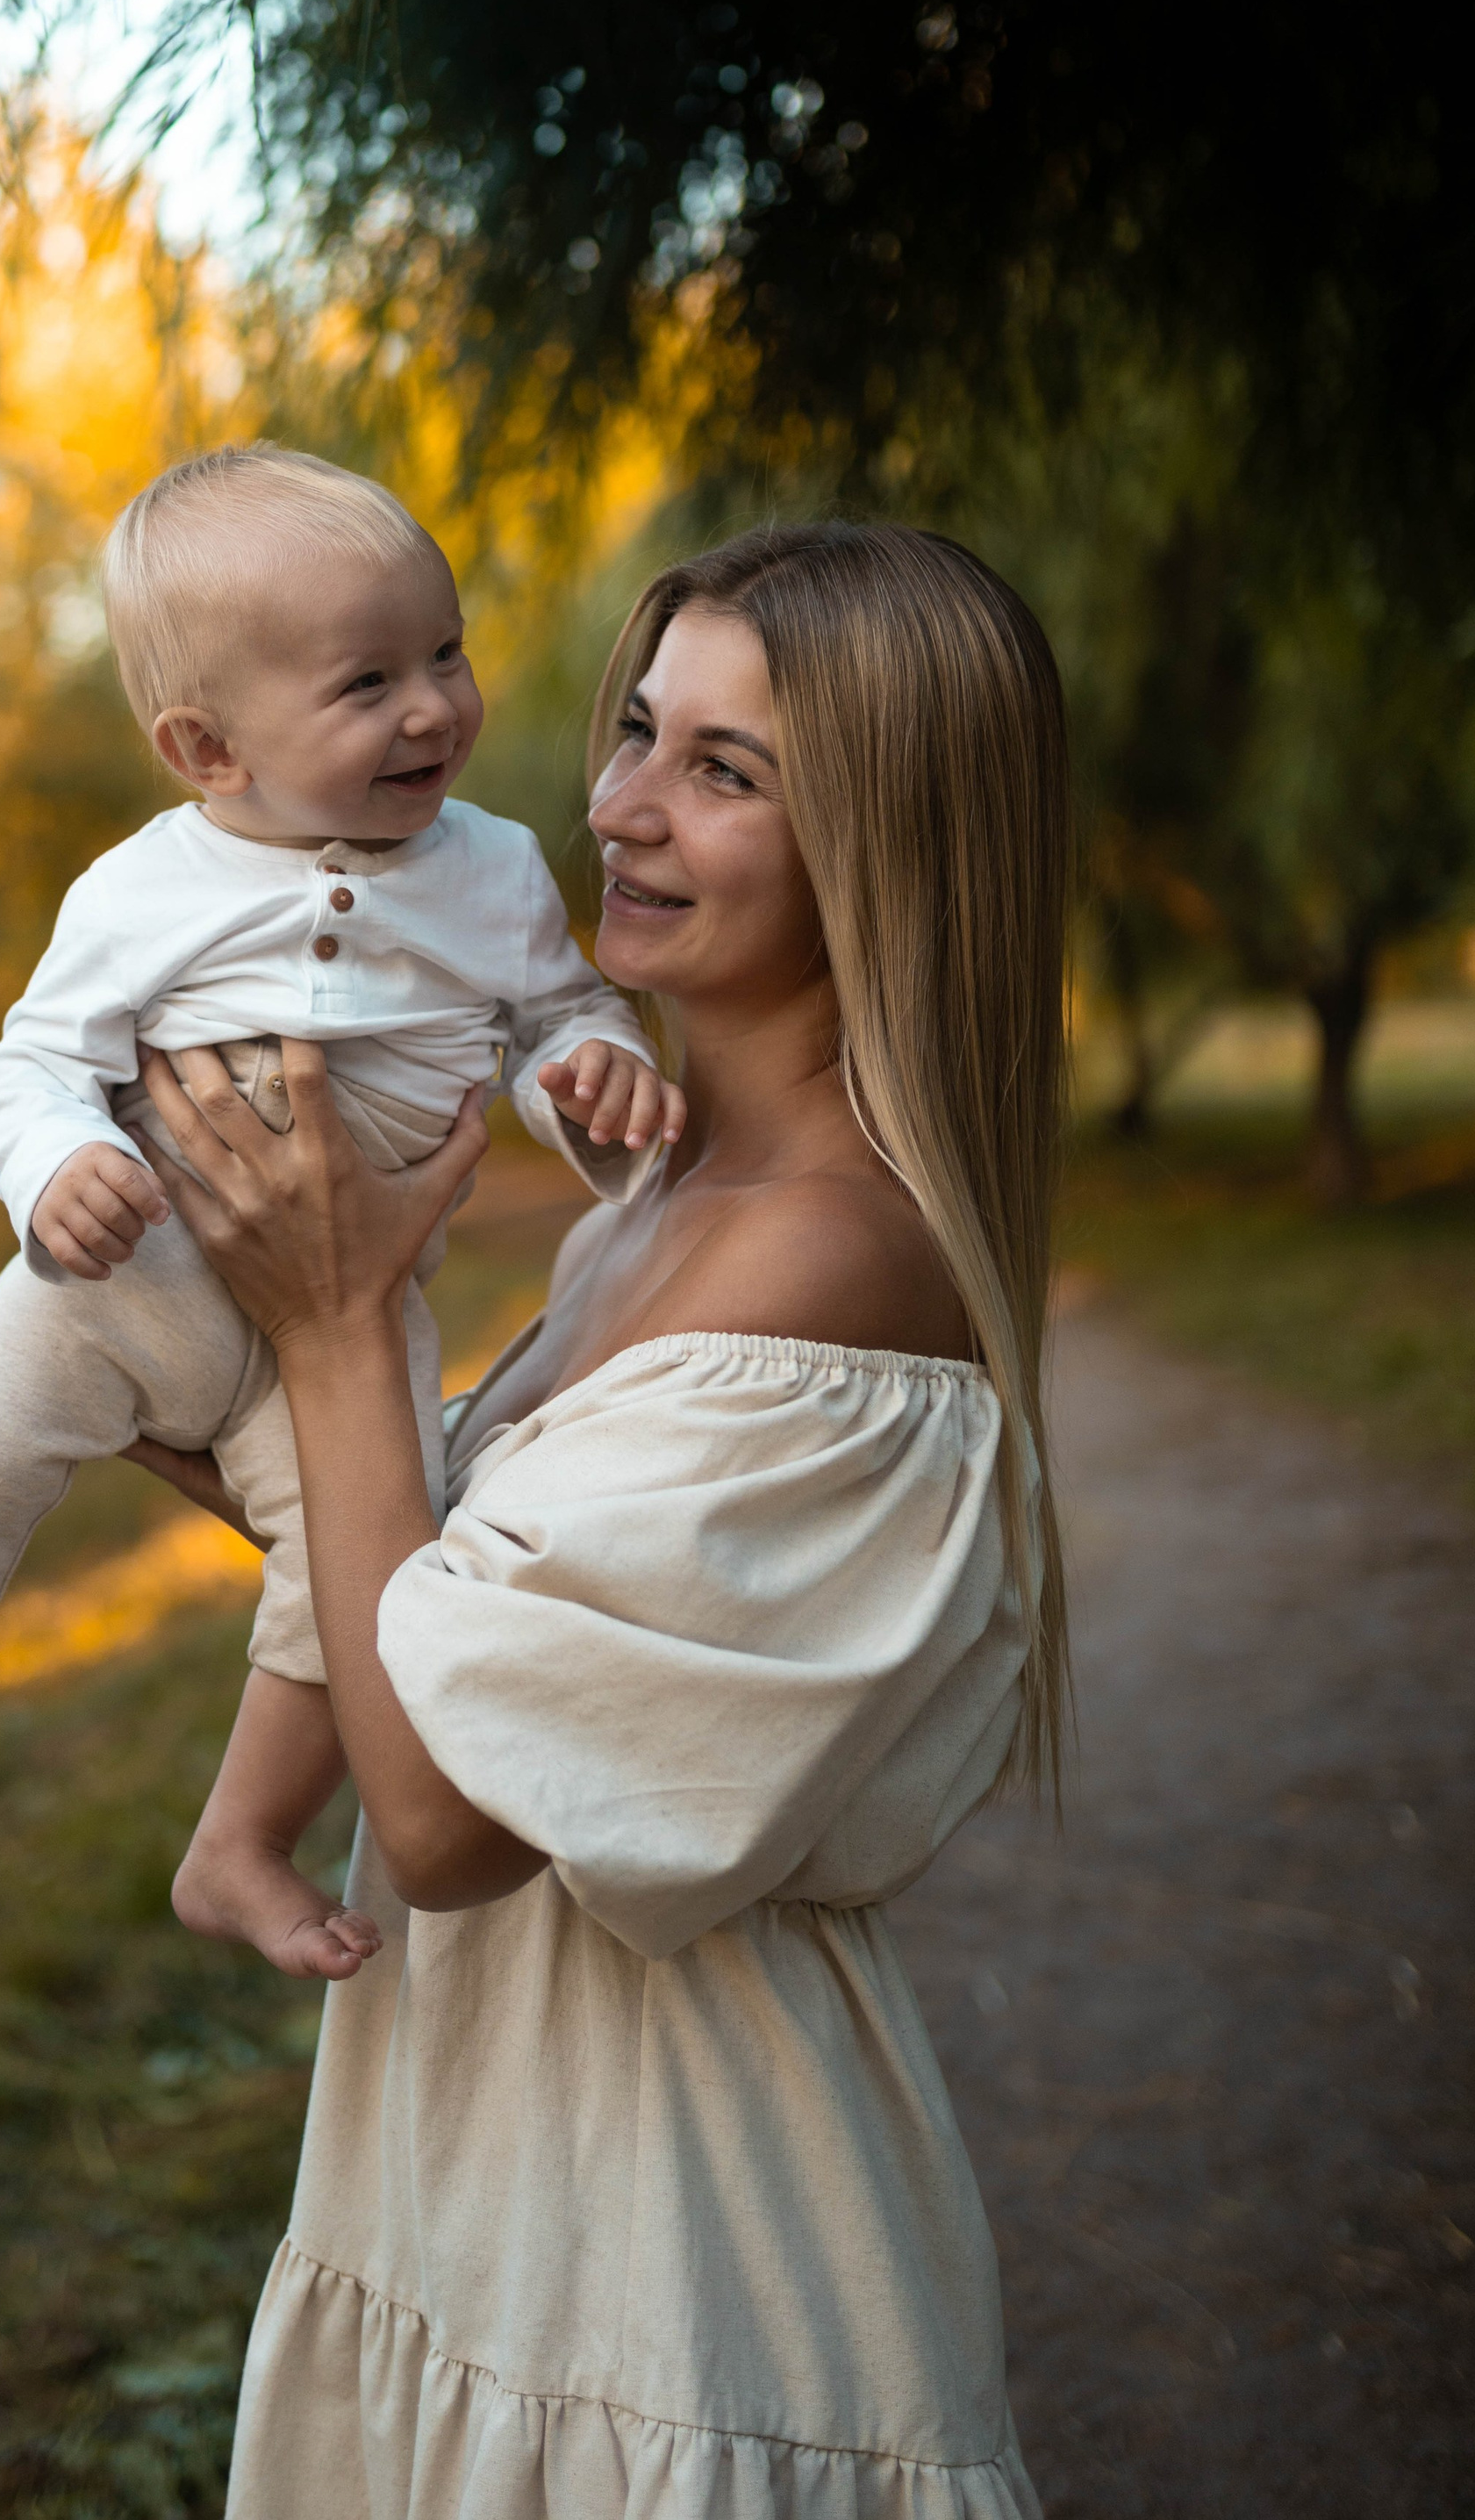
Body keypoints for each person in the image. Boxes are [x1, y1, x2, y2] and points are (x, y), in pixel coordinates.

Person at [132, 520, 1067, 2517]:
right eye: (637, 732)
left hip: (669, 2247)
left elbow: (455, 1811)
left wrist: (333, 1326)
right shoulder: (659, 1210)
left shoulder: (827, 1265)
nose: (615, 808)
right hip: (478, 2176)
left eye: (723, 774)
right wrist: (178, 1395)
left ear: (885, 847)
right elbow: (455, 1622)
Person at [0, 444, 682, 1977]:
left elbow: (558, 1014)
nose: (433, 705)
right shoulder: (138, 893)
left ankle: (239, 1839)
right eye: (369, 682)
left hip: (354, 1310)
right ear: (206, 747)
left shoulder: (490, 869)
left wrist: (596, 1074)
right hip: (126, 1270)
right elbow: (32, 1061)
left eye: (447, 651)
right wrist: (53, 1172)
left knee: (369, 1573)